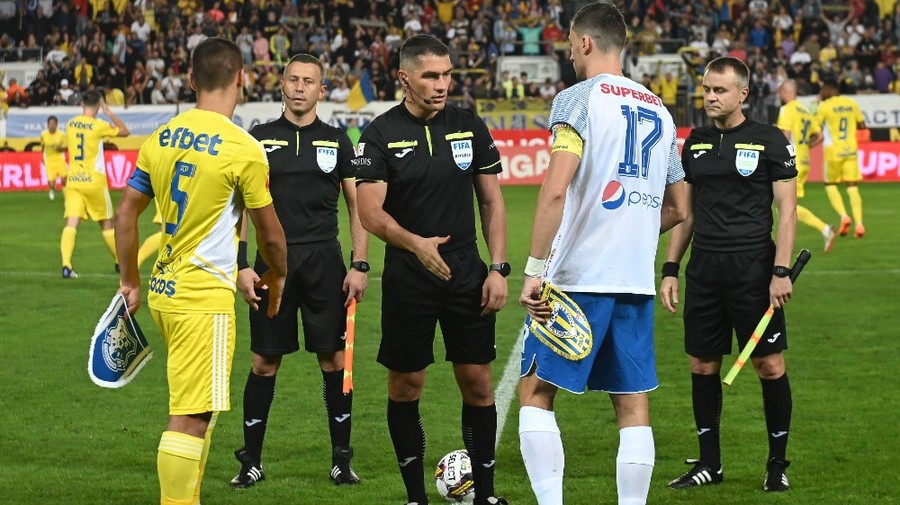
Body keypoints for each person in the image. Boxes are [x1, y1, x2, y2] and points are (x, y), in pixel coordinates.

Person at [516, 4, 688, 505]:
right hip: (634, 278)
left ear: (586, 43)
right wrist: (630, 229)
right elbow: (679, 207)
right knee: (633, 405)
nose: (569, 51)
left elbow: (553, 191)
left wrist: (533, 271)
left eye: (570, 43)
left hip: (576, 275)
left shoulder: (578, 99)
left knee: (535, 392)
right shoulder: (660, 108)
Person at [113, 37, 288, 505]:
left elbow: (125, 215)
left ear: (191, 80)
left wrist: (129, 280)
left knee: (200, 411)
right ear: (242, 79)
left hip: (163, 292)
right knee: (190, 417)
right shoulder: (243, 148)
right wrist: (280, 273)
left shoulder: (161, 137)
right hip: (202, 301)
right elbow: (271, 236)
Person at [354, 34, 509, 505]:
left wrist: (498, 268)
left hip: (466, 271)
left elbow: (491, 201)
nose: (442, 85)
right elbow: (370, 212)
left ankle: (484, 496)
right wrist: (414, 244)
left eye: (447, 74)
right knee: (406, 384)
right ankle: (414, 498)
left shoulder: (469, 125)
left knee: (479, 382)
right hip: (408, 274)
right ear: (404, 77)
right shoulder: (379, 133)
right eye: (431, 76)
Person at [229, 53, 369, 489]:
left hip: (324, 263)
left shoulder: (338, 140)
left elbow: (357, 207)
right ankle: (251, 460)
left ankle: (341, 461)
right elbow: (241, 209)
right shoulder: (259, 139)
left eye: (310, 81)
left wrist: (359, 264)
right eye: (294, 79)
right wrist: (240, 265)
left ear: (322, 91)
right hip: (272, 263)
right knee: (264, 361)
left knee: (333, 360)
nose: (300, 87)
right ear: (282, 85)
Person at [660, 56, 798, 493]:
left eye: (720, 90)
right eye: (706, 90)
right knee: (702, 363)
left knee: (770, 366)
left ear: (743, 94)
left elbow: (788, 210)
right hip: (705, 270)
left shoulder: (770, 140)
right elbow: (688, 213)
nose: (711, 98)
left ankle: (777, 464)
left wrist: (780, 271)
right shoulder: (695, 144)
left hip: (754, 269)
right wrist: (670, 269)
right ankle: (709, 463)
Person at [60, 89, 130, 278]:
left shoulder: (70, 124)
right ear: (98, 106)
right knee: (107, 224)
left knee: (71, 223)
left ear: (82, 104)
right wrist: (108, 112)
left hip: (74, 181)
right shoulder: (98, 125)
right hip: (94, 181)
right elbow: (125, 131)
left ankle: (66, 265)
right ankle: (119, 263)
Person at [776, 80, 836, 253]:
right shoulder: (805, 110)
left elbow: (785, 135)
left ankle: (825, 229)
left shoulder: (787, 109)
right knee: (788, 205)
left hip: (791, 162)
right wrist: (805, 147)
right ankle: (824, 230)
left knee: (785, 207)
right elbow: (819, 136)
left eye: (781, 92)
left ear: (785, 91)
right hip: (804, 161)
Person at [815, 79, 868, 238]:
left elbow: (816, 127)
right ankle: (859, 224)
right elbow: (862, 126)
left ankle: (844, 216)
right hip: (850, 150)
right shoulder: (851, 103)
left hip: (833, 152)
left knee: (830, 185)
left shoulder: (824, 106)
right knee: (852, 188)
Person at [40, 115, 67, 201]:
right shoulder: (43, 134)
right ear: (47, 125)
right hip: (49, 160)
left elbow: (67, 146)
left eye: (53, 123)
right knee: (52, 183)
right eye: (50, 123)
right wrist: (43, 157)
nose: (51, 125)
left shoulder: (62, 134)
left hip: (60, 159)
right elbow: (43, 147)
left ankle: (67, 196)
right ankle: (52, 190)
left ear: (56, 124)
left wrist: (60, 148)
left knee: (64, 179)